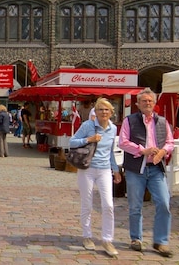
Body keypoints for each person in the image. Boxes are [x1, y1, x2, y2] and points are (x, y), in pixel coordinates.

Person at [118, 88, 174, 258]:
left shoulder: (163, 122)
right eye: (144, 101)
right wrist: (142, 150)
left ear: (154, 103)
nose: (147, 103)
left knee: (164, 203)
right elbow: (123, 142)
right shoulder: (130, 121)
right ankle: (136, 238)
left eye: (150, 100)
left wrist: (163, 151)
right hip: (136, 169)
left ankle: (161, 241)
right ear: (138, 104)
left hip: (156, 169)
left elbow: (170, 142)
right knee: (135, 206)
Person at [70, 98, 122, 258]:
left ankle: (107, 239)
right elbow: (72, 142)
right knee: (87, 203)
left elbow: (111, 151)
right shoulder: (88, 126)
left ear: (111, 112)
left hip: (104, 169)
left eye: (106, 110)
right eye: (100, 109)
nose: (103, 112)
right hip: (88, 168)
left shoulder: (113, 129)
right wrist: (89, 139)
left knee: (108, 205)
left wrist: (116, 170)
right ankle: (87, 236)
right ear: (96, 112)